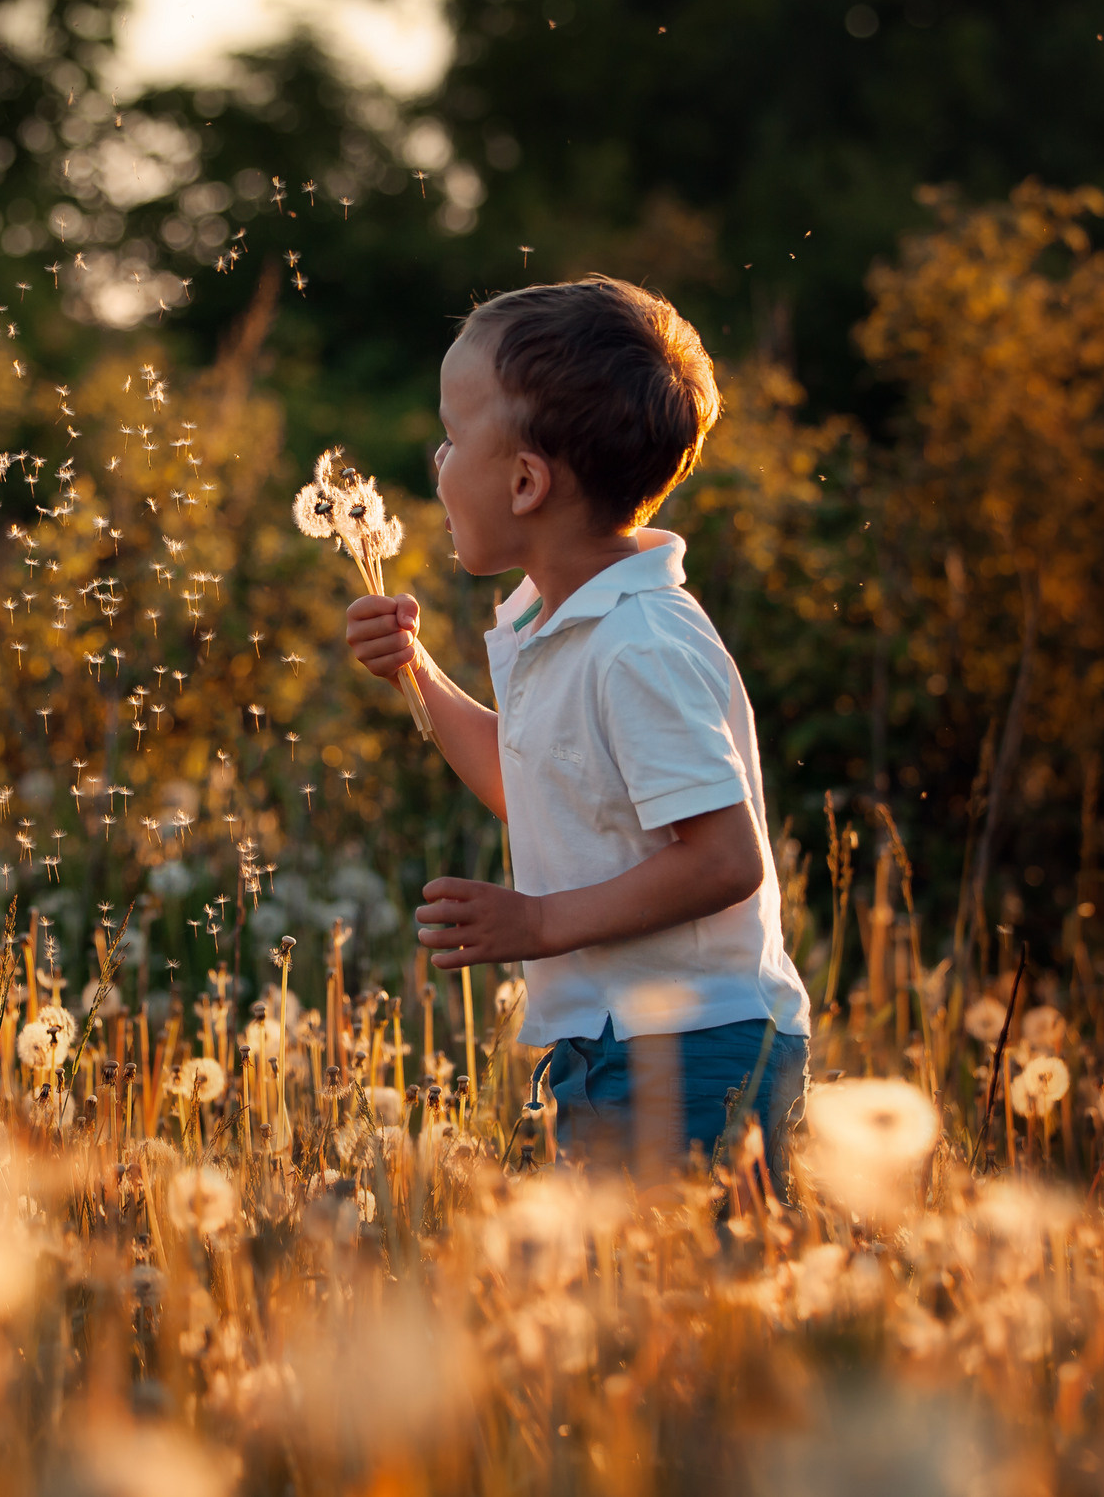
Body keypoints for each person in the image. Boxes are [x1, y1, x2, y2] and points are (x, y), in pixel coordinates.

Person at [343, 278, 811, 1189]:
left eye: (452, 436)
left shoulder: (638, 644)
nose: (436, 459)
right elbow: (535, 792)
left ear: (525, 482)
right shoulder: (562, 624)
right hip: (612, 1041)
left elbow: (724, 859)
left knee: (692, 1308)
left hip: (697, 1050)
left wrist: (543, 919)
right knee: (619, 1309)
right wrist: (415, 670)